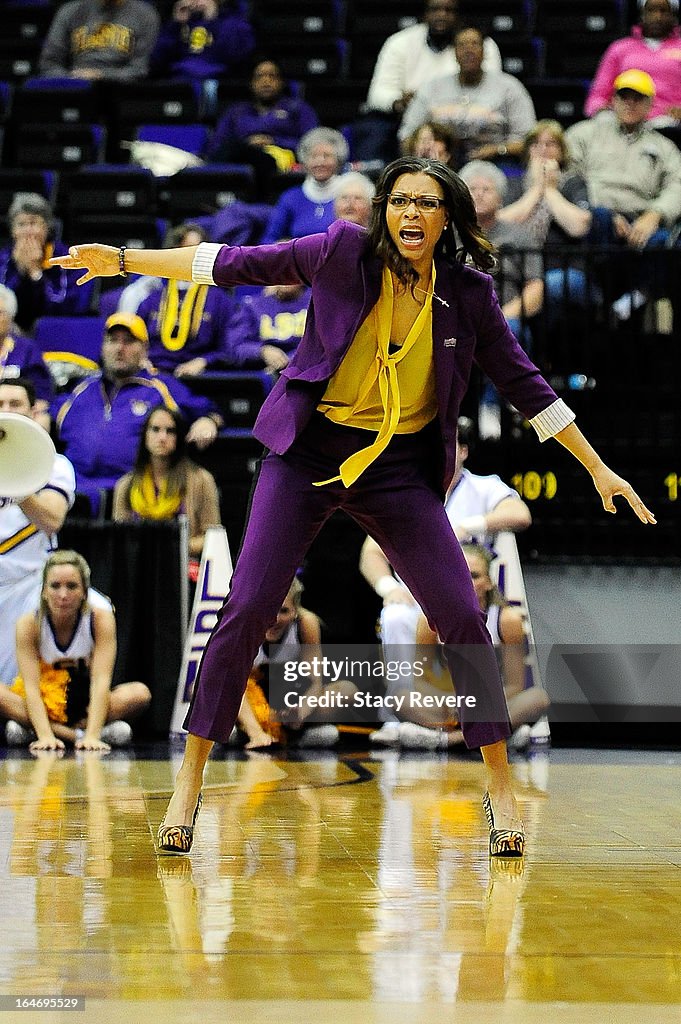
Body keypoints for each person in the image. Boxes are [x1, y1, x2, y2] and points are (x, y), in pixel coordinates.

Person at [51, 156, 656, 859]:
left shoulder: (466, 293)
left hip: (396, 468)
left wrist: (598, 468)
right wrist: (125, 259)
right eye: (399, 201)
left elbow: (527, 387)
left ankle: (500, 785)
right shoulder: (341, 251)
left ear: (446, 219)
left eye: (426, 204)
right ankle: (189, 779)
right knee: (246, 605)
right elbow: (235, 262)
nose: (409, 214)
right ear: (383, 211)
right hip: (309, 450)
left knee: (460, 612)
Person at [360, 415, 532, 745]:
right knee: (395, 616)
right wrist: (388, 587)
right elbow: (371, 551)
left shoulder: (485, 486)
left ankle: (474, 727)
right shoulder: (407, 490)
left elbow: (521, 515)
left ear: (463, 451)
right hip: (420, 601)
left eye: (445, 447)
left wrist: (472, 524)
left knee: (519, 691)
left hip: (472, 603)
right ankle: (399, 723)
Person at [53, 312, 222, 513]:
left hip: (131, 489)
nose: (119, 348)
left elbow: (209, 410)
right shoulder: (82, 389)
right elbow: (49, 415)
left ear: (145, 350)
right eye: (112, 340)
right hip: (75, 489)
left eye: (129, 341)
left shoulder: (161, 387)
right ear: (102, 347)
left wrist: (208, 420)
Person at [0, 550, 151, 752]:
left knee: (139, 694)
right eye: (55, 586)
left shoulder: (100, 618)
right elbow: (31, 687)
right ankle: (68, 734)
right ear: (43, 590)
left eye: (71, 587)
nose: (63, 595)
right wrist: (46, 737)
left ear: (84, 592)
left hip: (85, 703)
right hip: (44, 703)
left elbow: (101, 681)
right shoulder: (29, 622)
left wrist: (92, 737)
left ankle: (36, 730)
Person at [411, 543, 551, 748]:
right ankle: (497, 738)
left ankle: (448, 741)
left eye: (474, 576)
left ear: (488, 582)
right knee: (399, 698)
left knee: (538, 698)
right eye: (459, 576)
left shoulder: (507, 620)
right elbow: (419, 681)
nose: (466, 583)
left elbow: (514, 685)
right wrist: (452, 702)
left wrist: (477, 704)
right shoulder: (429, 620)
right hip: (446, 706)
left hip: (490, 706)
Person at [459, 160, 544, 438]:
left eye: (487, 188)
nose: (480, 194)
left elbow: (535, 289)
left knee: (510, 332)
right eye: (473, 188)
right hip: (457, 318)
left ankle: (491, 406)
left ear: (501, 196)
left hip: (505, 317)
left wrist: (503, 317)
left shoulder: (518, 235)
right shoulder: (450, 235)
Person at [0, 379, 74, 687]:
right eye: (0, 405)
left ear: (33, 411)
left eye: (15, 404)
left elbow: (52, 520)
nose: (6, 411)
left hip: (29, 587)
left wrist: (15, 473)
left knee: (19, 686)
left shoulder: (55, 465)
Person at [234, 577, 357, 750]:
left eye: (283, 611)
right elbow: (231, 685)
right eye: (269, 610)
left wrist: (301, 712)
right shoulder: (244, 625)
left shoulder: (306, 624)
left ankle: (297, 734)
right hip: (251, 703)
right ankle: (251, 732)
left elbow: (315, 682)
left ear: (295, 612)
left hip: (290, 699)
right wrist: (256, 731)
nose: (274, 619)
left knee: (347, 690)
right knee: (205, 688)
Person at [566, 71, 681, 252]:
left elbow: (677, 184)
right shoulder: (585, 134)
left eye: (638, 98)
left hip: (639, 219)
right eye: (624, 96)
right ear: (613, 100)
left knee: (663, 242)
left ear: (650, 104)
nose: (630, 103)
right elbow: (568, 173)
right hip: (593, 216)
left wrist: (656, 213)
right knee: (601, 219)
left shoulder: (664, 147)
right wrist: (588, 206)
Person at [133, 223, 257, 377]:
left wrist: (204, 361)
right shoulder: (153, 298)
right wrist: (140, 359)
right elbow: (134, 338)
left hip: (198, 378)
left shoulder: (219, 300)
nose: (190, 256)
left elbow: (230, 347)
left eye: (197, 250)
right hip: (152, 375)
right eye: (185, 249)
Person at [398, 27, 537, 164]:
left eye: (475, 44)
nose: (468, 50)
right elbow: (406, 136)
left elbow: (528, 140)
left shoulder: (510, 87)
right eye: (462, 45)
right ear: (454, 52)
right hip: (439, 162)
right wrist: (426, 148)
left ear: (484, 51)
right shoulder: (432, 88)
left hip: (495, 162)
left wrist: (497, 150)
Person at [498, 121, 592, 319]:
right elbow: (500, 224)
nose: (543, 150)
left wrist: (550, 190)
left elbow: (579, 226)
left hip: (558, 269)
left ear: (562, 151)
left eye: (550, 144)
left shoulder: (573, 184)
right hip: (516, 270)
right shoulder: (513, 185)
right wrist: (535, 190)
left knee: (554, 284)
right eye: (536, 144)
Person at [112, 405, 221, 569]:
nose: (162, 437)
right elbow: (119, 538)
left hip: (184, 567)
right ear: (145, 435)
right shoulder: (125, 485)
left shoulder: (202, 480)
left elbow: (213, 536)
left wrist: (174, 549)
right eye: (155, 429)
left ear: (179, 437)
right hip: (138, 568)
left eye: (170, 431)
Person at [365, 0, 502, 120]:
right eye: (435, 9)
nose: (442, 15)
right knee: (374, 132)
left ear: (459, 15)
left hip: (465, 117)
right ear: (425, 14)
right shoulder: (400, 42)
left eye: (449, 10)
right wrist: (398, 103)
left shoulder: (481, 44)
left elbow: (492, 92)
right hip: (405, 116)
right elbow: (377, 93)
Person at [204, 59, 319, 190]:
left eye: (272, 76)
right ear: (251, 83)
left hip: (276, 160)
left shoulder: (298, 108)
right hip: (239, 157)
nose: (266, 81)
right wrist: (246, 144)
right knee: (231, 147)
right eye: (260, 77)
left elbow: (312, 144)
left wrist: (274, 141)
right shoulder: (236, 111)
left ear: (281, 82)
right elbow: (216, 144)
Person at [0, 193, 95, 333]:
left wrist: (35, 274)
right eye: (21, 224)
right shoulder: (4, 258)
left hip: (57, 332)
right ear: (13, 231)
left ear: (47, 228)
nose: (27, 232)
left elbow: (64, 308)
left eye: (33, 223)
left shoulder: (67, 259)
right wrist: (20, 270)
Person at [585, 0, 681, 126]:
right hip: (624, 120)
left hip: (668, 122)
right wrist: (600, 108)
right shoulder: (620, 48)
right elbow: (597, 95)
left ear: (673, 15)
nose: (657, 17)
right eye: (651, 10)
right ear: (642, 14)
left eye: (663, 11)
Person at [260, 128, 348, 245]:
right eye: (314, 156)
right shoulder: (291, 197)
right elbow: (267, 240)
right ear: (304, 162)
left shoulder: (350, 193)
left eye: (327, 156)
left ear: (338, 160)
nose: (320, 162)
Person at [39, 0, 160, 81]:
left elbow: (140, 69)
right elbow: (49, 63)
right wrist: (70, 79)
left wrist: (100, 75)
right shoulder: (70, 11)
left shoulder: (145, 14)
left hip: (122, 90)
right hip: (77, 87)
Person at [149, 0, 255, 83]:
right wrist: (176, 24)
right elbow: (157, 61)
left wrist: (211, 20)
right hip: (179, 81)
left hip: (219, 82)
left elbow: (233, 57)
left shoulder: (234, 20)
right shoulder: (181, 21)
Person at [0, 285, 53, 426]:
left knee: (42, 420)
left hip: (18, 419)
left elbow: (41, 399)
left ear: (11, 317)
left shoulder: (27, 350)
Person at [240, 284, 311, 373]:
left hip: (306, 371)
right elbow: (236, 346)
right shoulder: (254, 306)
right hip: (262, 369)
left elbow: (323, 346)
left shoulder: (317, 303)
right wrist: (262, 351)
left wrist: (290, 359)